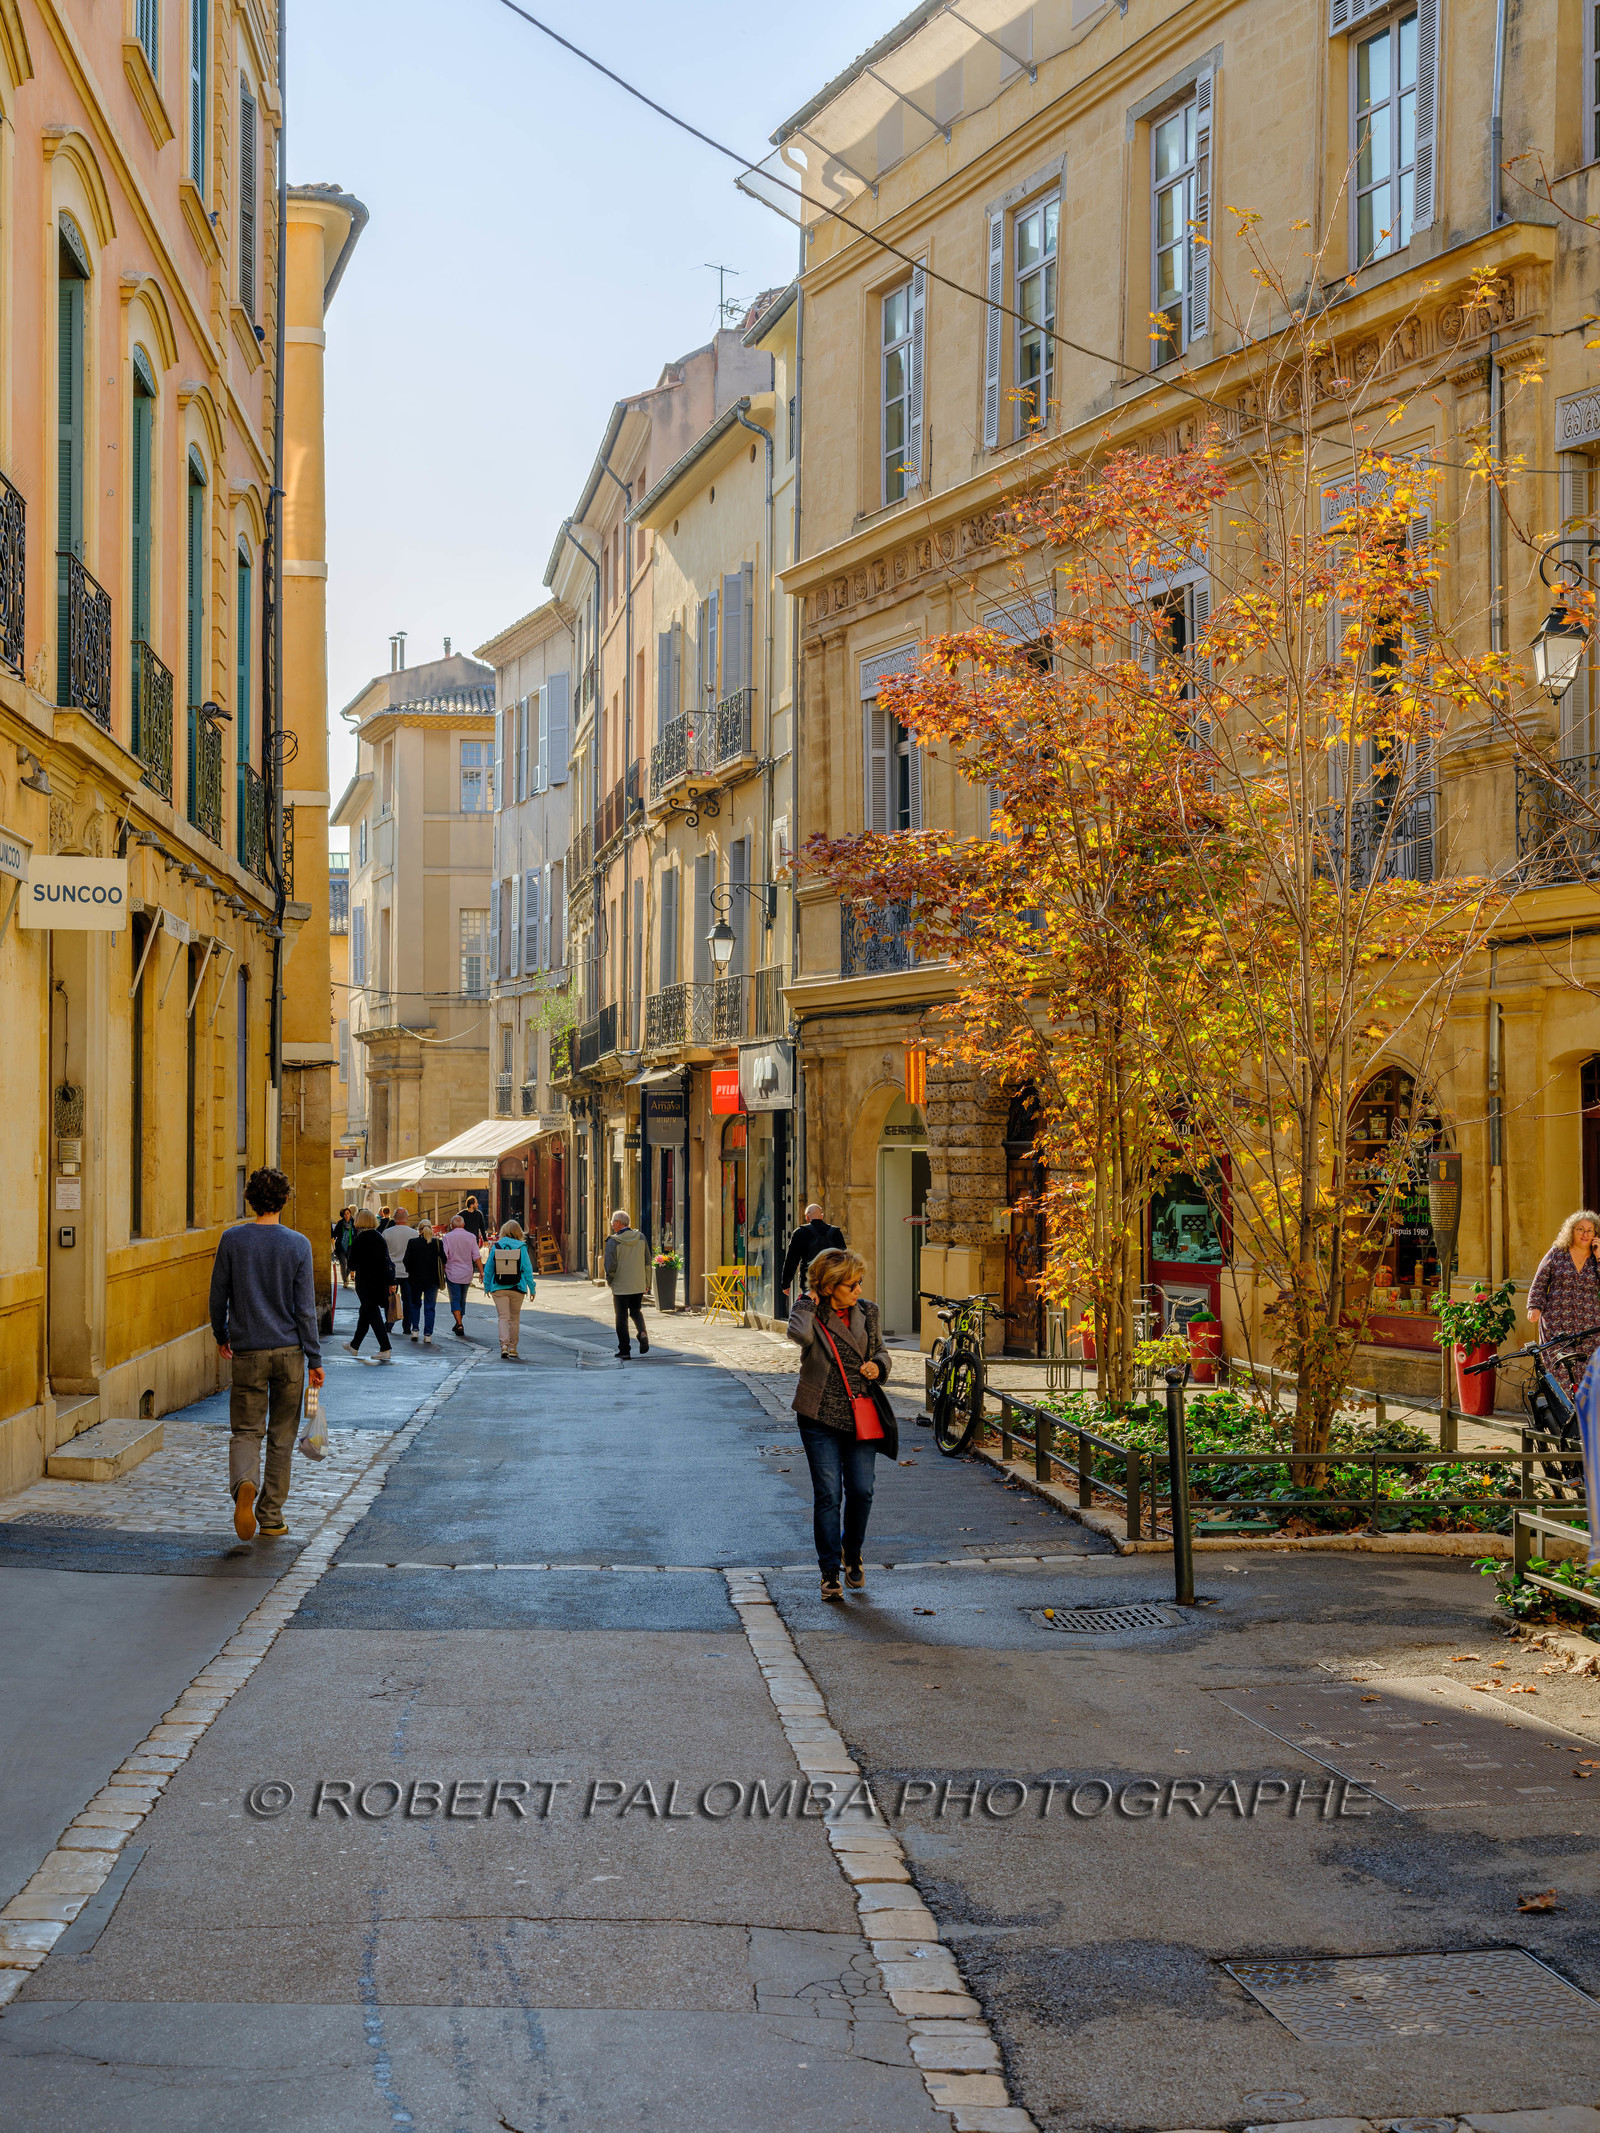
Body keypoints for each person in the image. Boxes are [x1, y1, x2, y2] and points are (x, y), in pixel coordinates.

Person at [208, 1166, 325, 1543]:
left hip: (247, 1352)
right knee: (281, 1435)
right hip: (289, 1353)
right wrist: (315, 1359)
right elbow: (305, 1309)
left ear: (250, 1199)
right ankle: (271, 1515)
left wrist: (221, 1334)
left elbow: (217, 1296)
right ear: (285, 1200)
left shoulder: (232, 1240)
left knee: (246, 1431)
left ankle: (245, 1483)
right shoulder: (298, 1244)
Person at [787, 1249, 895, 1601]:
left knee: (862, 1490)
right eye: (852, 1284)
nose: (858, 1290)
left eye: (860, 1282)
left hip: (861, 1413)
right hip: (819, 1414)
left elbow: (881, 1351)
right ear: (831, 1285)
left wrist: (878, 1366)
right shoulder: (811, 1312)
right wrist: (806, 1299)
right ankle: (830, 1570)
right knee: (829, 1495)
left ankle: (853, 1551)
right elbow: (800, 1337)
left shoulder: (868, 1312)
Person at [1528, 1210, 1600, 1388]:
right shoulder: (1557, 1253)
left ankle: (1584, 1414)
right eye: (1580, 1229)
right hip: (1557, 1326)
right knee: (1560, 1371)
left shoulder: (1597, 1258)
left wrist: (1599, 1257)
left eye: (1590, 1230)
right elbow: (1540, 1281)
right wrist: (1535, 1307)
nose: (1585, 1234)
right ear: (1571, 1231)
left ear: (1596, 1234)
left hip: (1589, 1329)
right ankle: (1564, 1414)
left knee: (1588, 1375)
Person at [345, 1209, 397, 1363]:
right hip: (379, 1282)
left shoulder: (360, 1239)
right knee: (366, 1312)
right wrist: (391, 1282)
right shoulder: (379, 1237)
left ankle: (385, 1348)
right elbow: (386, 1262)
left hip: (365, 1283)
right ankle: (354, 1346)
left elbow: (352, 1264)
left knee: (372, 1313)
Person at [482, 1218, 536, 1358]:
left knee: (503, 1317)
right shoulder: (522, 1247)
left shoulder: (497, 1246)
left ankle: (504, 1345)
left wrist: (487, 1286)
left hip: (498, 1288)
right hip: (517, 1287)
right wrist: (532, 1289)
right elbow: (528, 1270)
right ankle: (513, 1347)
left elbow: (489, 1268)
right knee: (514, 1318)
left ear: (503, 1231)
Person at [604, 1209, 651, 1359]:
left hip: (621, 1286)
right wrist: (646, 1282)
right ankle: (642, 1332)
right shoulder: (641, 1237)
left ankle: (624, 1350)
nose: (611, 1225)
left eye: (612, 1222)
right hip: (638, 1284)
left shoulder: (613, 1241)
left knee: (621, 1317)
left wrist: (610, 1280)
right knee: (636, 1311)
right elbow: (647, 1262)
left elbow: (610, 1265)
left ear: (618, 1223)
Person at [780, 1203, 847, 1302]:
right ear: (822, 1216)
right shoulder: (836, 1233)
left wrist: (785, 1283)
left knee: (811, 1309)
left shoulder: (800, 1233)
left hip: (809, 1281)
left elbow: (792, 1260)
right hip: (832, 1280)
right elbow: (845, 1259)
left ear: (807, 1217)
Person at [404, 1220, 447, 1345]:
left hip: (415, 1279)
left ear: (419, 1230)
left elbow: (406, 1260)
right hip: (432, 1280)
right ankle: (428, 1334)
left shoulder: (413, 1242)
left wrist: (411, 1271)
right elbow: (444, 1259)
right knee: (430, 1307)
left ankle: (415, 1330)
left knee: (415, 1304)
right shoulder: (437, 1243)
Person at [442, 1215, 480, 1338]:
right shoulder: (471, 1237)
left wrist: (442, 1271)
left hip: (452, 1272)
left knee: (454, 1298)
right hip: (467, 1273)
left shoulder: (447, 1238)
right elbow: (476, 1256)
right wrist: (482, 1272)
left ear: (452, 1225)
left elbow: (444, 1256)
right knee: (462, 1299)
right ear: (463, 1225)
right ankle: (459, 1322)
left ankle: (459, 1324)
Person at [384, 1207, 419, 1337]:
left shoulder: (387, 1233)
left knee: (390, 1299)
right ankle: (407, 1327)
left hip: (391, 1272)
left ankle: (389, 1323)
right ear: (407, 1218)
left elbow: (383, 1254)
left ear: (394, 1218)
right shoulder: (414, 1233)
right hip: (407, 1272)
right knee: (408, 1301)